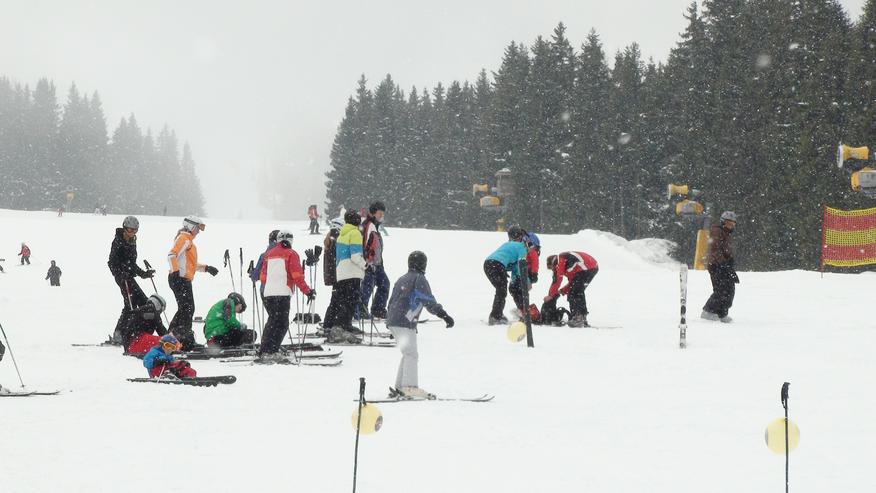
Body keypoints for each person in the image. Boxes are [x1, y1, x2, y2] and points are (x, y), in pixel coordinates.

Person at [386, 251, 454, 399]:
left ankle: (400, 386)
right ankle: (409, 387)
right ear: (423, 264)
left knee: (407, 353)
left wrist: (391, 323)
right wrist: (444, 315)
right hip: (405, 321)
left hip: (394, 320)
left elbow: (391, 301)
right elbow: (427, 300)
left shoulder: (401, 279)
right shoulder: (419, 279)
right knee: (411, 354)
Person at [258, 231, 314, 358]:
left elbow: (262, 276)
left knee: (272, 321)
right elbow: (297, 276)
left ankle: (265, 348)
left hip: (268, 292)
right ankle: (271, 350)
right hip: (282, 292)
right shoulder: (291, 254)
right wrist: (307, 291)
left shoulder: (268, 254)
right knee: (282, 323)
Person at [167, 216, 218, 350]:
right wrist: (175, 272)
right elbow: (171, 255)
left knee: (185, 309)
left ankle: (171, 337)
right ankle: (184, 341)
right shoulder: (183, 239)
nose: (199, 232)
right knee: (187, 309)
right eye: (197, 228)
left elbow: (189, 265)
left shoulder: (189, 242)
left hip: (183, 279)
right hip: (179, 279)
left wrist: (206, 268)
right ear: (190, 226)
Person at [108, 216, 154, 344]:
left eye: (135, 230)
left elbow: (132, 264)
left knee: (144, 303)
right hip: (122, 278)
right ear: (124, 228)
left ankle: (137, 331)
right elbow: (111, 262)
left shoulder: (132, 241)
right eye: (130, 230)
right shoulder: (118, 241)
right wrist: (119, 274)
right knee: (130, 305)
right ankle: (119, 334)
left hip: (129, 277)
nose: (132, 233)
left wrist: (144, 274)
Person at [328, 211, 367, 343]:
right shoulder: (355, 233)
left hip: (342, 273)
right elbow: (355, 256)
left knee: (344, 301)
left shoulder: (341, 234)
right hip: (352, 272)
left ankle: (344, 325)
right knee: (351, 302)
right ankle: (341, 328)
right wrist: (365, 265)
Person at [483, 226, 529, 325]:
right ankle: (495, 316)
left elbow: (511, 264)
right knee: (501, 290)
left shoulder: (508, 244)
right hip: (497, 265)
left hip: (488, 263)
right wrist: (527, 282)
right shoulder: (522, 248)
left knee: (500, 289)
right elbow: (521, 266)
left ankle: (497, 314)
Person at [544, 251, 599, 327]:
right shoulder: (570, 267)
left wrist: (551, 295)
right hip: (591, 266)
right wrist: (561, 291)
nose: (553, 271)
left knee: (574, 292)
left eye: (552, 269)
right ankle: (581, 317)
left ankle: (578, 317)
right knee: (576, 290)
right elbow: (571, 283)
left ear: (553, 263)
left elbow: (558, 279)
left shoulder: (560, 259)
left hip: (586, 267)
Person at [702, 211, 739, 323]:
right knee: (721, 289)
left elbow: (725, 250)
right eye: (728, 223)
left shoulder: (726, 233)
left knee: (729, 289)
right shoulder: (717, 231)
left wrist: (729, 263)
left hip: (724, 264)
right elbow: (715, 249)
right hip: (717, 265)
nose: (731, 226)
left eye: (733, 224)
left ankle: (721, 313)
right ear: (723, 222)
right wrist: (723, 263)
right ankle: (708, 311)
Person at [361, 201, 390, 320]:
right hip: (369, 264)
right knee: (367, 288)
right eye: (379, 213)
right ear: (373, 213)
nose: (381, 216)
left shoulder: (375, 226)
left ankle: (378, 309)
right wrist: (368, 262)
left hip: (378, 264)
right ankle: (361, 310)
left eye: (383, 213)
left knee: (384, 284)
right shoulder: (368, 225)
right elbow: (365, 245)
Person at [509, 231, 541, 318]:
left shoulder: (528, 246)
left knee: (519, 290)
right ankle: (523, 309)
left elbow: (534, 259)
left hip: (526, 272)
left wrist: (534, 273)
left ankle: (525, 310)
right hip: (519, 272)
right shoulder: (519, 246)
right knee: (514, 289)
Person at [321, 219, 343, 331]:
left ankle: (330, 323)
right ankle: (329, 324)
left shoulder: (330, 240)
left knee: (335, 300)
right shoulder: (335, 241)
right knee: (336, 301)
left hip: (333, 275)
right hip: (337, 275)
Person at [250, 229, 280, 298]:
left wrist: (252, 273)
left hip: (266, 291)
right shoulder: (289, 255)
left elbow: (255, 276)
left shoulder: (264, 256)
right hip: (283, 291)